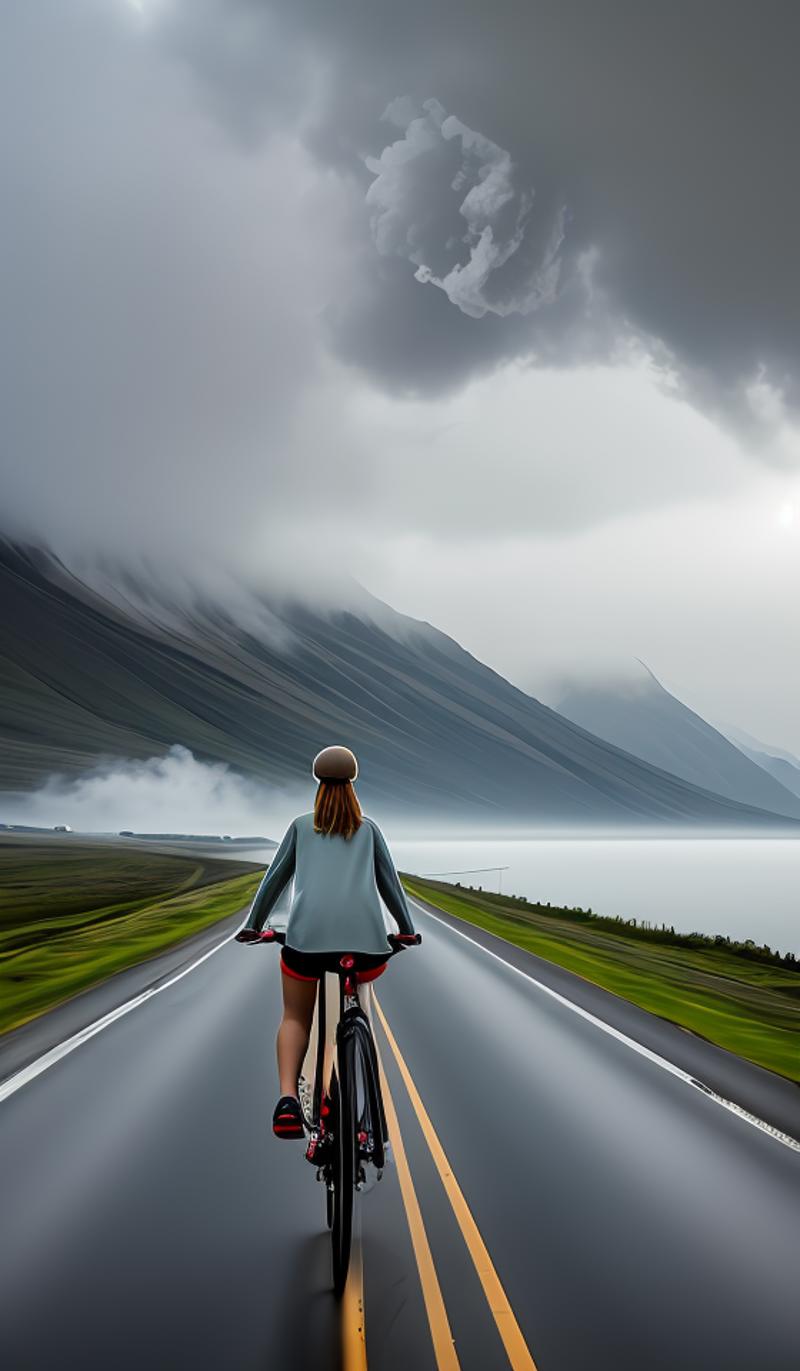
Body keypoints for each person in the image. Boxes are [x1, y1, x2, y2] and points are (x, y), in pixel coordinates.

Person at [234, 744, 418, 1139]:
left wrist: (255, 924)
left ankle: (286, 1099)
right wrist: (405, 928)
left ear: (317, 784)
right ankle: (342, 1081)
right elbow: (390, 884)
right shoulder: (369, 829)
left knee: (295, 1017)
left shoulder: (301, 826)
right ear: (353, 785)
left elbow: (275, 881)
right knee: (360, 1009)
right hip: (365, 947)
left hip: (306, 945)